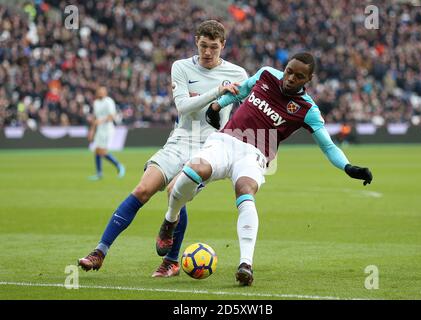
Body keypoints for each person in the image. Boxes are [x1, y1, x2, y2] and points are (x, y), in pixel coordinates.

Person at [155, 52, 373, 286]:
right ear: (285, 67)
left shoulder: (308, 110)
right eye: (289, 71)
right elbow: (241, 90)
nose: (290, 78)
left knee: (245, 191)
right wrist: (217, 105)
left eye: (299, 76)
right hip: (225, 141)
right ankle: (170, 220)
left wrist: (348, 167)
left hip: (255, 155)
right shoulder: (266, 74)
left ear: (308, 80)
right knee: (192, 172)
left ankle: (245, 265)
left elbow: (328, 146)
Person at [78, 20, 248, 277]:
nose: (208, 52)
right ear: (196, 42)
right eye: (203, 46)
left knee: (173, 191)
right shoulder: (180, 67)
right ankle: (99, 252)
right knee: (142, 189)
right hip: (178, 141)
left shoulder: (238, 74)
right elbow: (183, 107)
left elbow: (248, 110)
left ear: (223, 45)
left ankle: (171, 260)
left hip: (209, 149)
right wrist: (217, 91)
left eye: (214, 47)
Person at [87, 86, 126, 181]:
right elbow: (95, 118)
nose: (100, 93)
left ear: (105, 92)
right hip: (99, 130)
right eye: (99, 91)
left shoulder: (109, 101)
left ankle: (119, 165)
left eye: (102, 91)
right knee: (97, 150)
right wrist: (92, 130)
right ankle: (99, 173)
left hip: (107, 129)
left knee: (101, 151)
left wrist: (101, 121)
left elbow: (112, 116)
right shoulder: (96, 103)